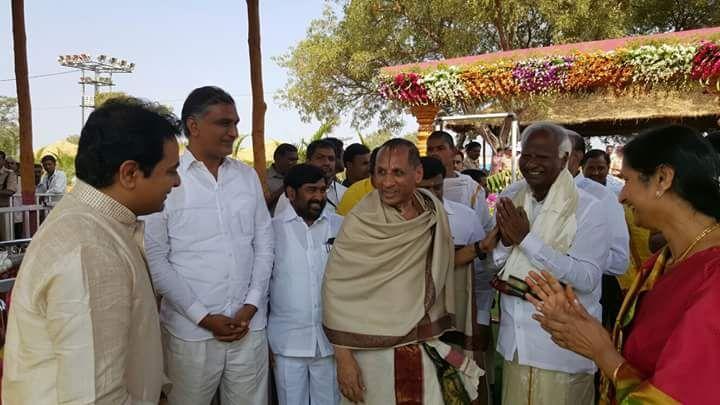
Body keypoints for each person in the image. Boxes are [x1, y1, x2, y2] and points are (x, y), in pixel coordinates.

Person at [2, 97, 181, 404]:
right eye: (171, 171)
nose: (177, 182)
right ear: (129, 173)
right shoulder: (89, 248)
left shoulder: (101, 225)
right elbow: (95, 398)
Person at [525, 125, 720, 405]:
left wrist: (602, 352)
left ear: (662, 179)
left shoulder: (713, 276)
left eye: (627, 180)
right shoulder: (661, 264)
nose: (621, 196)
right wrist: (588, 329)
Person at [323, 139, 483, 404]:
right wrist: (343, 359)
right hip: (374, 352)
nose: (387, 182)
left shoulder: (431, 211)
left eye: (397, 172)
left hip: (424, 346)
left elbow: (444, 264)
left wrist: (483, 246)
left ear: (417, 174)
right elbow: (337, 289)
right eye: (381, 173)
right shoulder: (361, 221)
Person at [144, 86, 274, 405]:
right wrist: (203, 316)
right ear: (194, 126)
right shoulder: (166, 180)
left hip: (248, 328)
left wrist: (251, 306)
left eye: (235, 124)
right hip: (190, 334)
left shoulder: (246, 177)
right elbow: (157, 259)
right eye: (224, 123)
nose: (233, 132)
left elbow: (265, 244)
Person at [491, 122, 609, 405]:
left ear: (565, 159)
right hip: (516, 345)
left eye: (542, 157)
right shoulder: (512, 197)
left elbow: (587, 278)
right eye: (526, 155)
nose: (531, 164)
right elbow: (496, 266)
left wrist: (526, 239)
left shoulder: (590, 206)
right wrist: (506, 244)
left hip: (561, 350)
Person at [419, 156, 493, 404]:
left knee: (460, 390)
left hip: (459, 325)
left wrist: (482, 316)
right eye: (425, 188)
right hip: (414, 326)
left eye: (436, 187)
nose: (432, 194)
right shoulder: (398, 222)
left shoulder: (465, 217)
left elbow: (483, 275)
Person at [268, 164, 342, 405]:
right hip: (288, 342)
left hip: (330, 341)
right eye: (311, 190)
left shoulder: (340, 226)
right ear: (290, 193)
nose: (318, 197)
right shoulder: (272, 230)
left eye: (322, 190)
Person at [567, 132, 630, 330]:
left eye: (600, 168)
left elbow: (619, 260)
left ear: (575, 157)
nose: (595, 172)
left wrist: (569, 256)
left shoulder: (605, 197)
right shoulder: (521, 192)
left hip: (592, 295)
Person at [427, 131, 493, 233]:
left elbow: (484, 226)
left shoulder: (472, 188)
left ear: (453, 151)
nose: (434, 153)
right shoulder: (420, 186)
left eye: (440, 148)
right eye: (430, 149)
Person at [275, 140, 347, 216]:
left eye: (331, 159)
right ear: (308, 162)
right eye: (320, 158)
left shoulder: (345, 192)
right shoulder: (290, 196)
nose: (327, 163)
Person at [335, 148, 377, 216]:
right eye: (364, 163)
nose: (369, 168)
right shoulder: (341, 192)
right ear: (349, 165)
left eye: (370, 163)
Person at [266, 143, 299, 214]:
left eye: (296, 160)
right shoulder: (263, 177)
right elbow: (261, 204)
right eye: (291, 159)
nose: (295, 163)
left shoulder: (298, 176)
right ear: (277, 158)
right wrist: (286, 185)